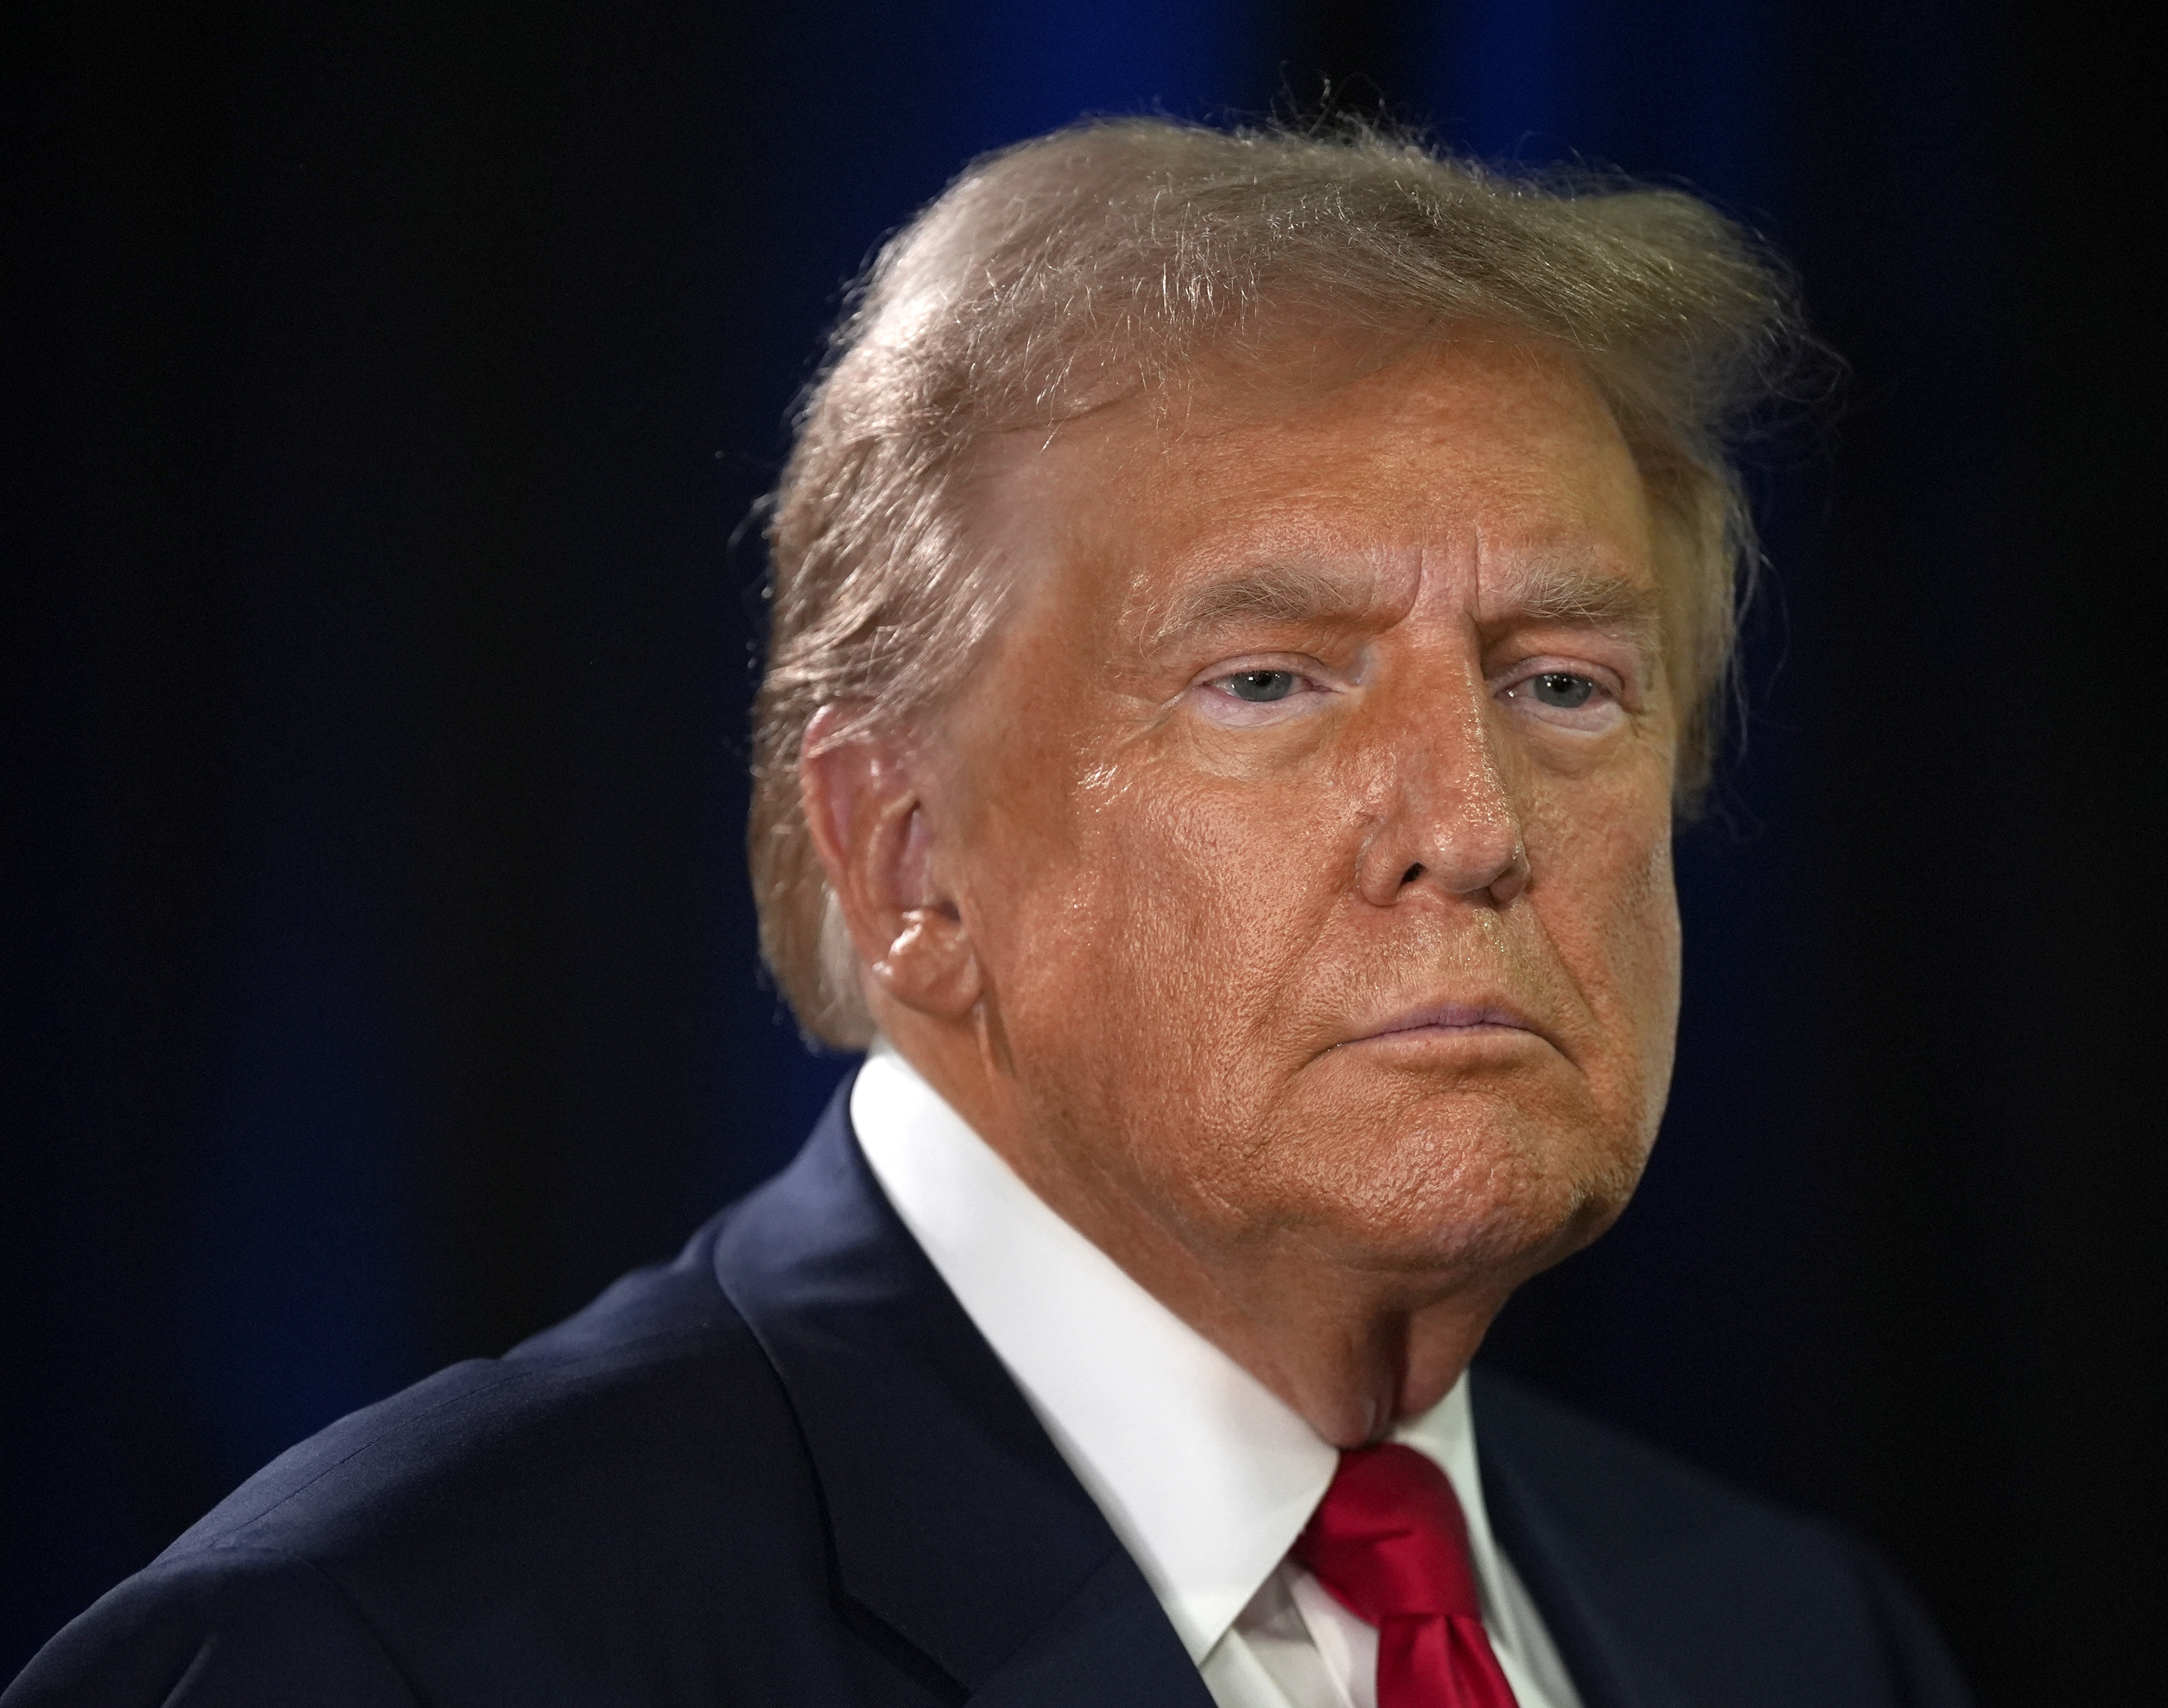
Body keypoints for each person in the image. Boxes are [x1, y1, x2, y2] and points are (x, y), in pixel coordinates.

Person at [7, 118, 1971, 1707]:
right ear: (904, 858)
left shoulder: (1797, 1640)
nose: (1469, 827)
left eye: (1560, 684)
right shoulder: (380, 1660)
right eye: (1268, 681)